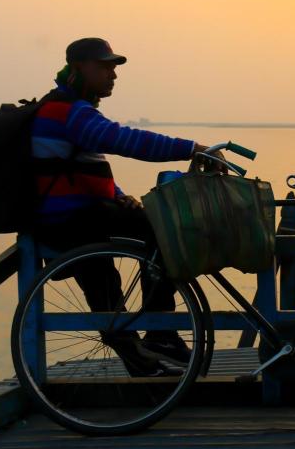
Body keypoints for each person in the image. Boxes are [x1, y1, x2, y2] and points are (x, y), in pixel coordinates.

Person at [30, 37, 224, 377]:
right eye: (104, 66)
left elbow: (80, 165)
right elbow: (125, 140)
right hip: (74, 218)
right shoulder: (70, 111)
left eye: (114, 67)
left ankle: (142, 362)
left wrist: (116, 193)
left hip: (73, 217)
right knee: (164, 225)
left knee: (105, 292)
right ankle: (161, 332)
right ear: (78, 68)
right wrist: (192, 148)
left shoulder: (66, 109)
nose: (112, 74)